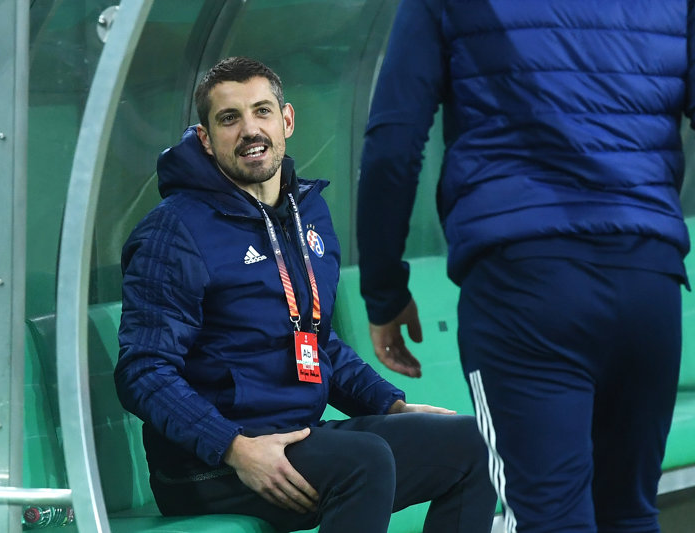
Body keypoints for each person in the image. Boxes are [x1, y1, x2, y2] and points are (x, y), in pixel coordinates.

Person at [114, 56, 496, 533]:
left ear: (287, 120)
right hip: (210, 464)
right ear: (207, 140)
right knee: (365, 460)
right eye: (229, 119)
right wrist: (234, 447)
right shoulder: (174, 231)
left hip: (301, 439)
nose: (250, 130)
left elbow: (316, 340)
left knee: (473, 443)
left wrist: (391, 406)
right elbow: (143, 371)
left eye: (262, 111)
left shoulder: (306, 214)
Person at [357, 1, 693, 532]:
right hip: (647, 278)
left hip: (521, 284)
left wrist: (384, 291)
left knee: (549, 517)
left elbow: (393, 144)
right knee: (629, 513)